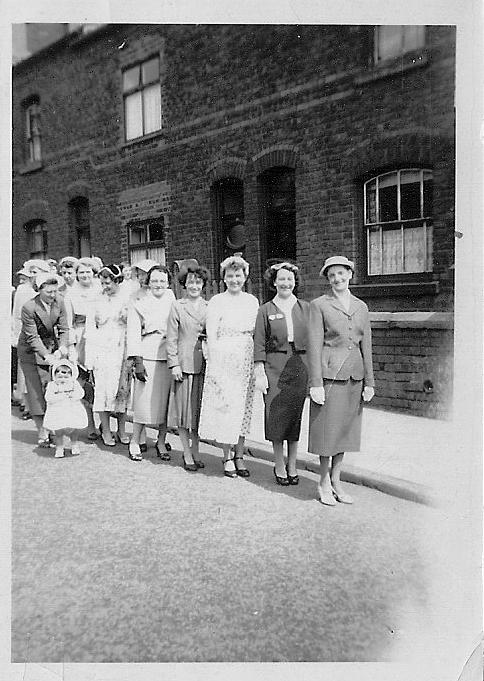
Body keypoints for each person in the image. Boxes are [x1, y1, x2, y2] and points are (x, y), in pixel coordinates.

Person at [307, 256, 375, 506]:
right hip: (329, 376)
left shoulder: (362, 306)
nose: (337, 279)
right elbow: (313, 345)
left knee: (345, 432)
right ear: (328, 279)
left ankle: (337, 481)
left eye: (341, 273)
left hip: (355, 376)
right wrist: (315, 383)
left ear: (350, 274)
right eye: (332, 275)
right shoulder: (319, 305)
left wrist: (370, 381)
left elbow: (366, 344)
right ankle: (323, 481)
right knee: (327, 432)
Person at [198, 255, 259, 478]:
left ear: (245, 277)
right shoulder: (217, 301)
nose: (234, 280)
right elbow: (211, 334)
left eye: (238, 275)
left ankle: (240, 454)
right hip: (224, 355)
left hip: (246, 355)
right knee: (226, 405)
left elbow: (257, 332)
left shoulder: (252, 301)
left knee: (243, 406)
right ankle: (227, 456)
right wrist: (213, 363)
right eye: (230, 276)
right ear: (224, 278)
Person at [254, 261, 309, 486]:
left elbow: (316, 340)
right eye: (281, 279)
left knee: (295, 416)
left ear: (295, 282)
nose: (286, 283)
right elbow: (258, 343)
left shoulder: (306, 308)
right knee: (275, 416)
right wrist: (260, 372)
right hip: (274, 366)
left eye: (290, 279)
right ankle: (278, 464)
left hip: (299, 365)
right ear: (274, 282)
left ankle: (293, 463)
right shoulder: (265, 310)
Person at [126, 265, 175, 461]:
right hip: (147, 354)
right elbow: (133, 332)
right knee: (143, 402)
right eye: (154, 281)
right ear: (148, 282)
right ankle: (135, 441)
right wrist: (137, 361)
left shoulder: (172, 298)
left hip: (169, 354)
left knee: (166, 403)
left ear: (168, 282)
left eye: (162, 281)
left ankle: (161, 441)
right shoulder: (139, 301)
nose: (158, 285)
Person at [17, 272, 71, 446]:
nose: (53, 295)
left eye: (55, 291)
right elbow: (32, 337)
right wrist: (46, 356)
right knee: (36, 392)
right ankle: (42, 430)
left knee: (51, 389)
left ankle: (53, 429)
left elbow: (64, 328)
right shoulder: (29, 307)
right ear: (39, 290)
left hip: (51, 347)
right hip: (30, 352)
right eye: (49, 292)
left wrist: (62, 347)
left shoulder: (60, 301)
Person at [166, 262, 209, 471]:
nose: (194, 286)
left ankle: (196, 450)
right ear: (184, 284)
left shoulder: (209, 307)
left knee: (198, 412)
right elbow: (171, 338)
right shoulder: (177, 306)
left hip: (204, 366)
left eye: (198, 282)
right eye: (191, 282)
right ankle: (186, 454)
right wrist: (173, 364)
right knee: (184, 413)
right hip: (183, 364)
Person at [84, 264, 130, 447]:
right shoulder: (95, 301)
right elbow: (89, 329)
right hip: (101, 349)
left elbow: (132, 325)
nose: (105, 287)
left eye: (108, 283)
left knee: (122, 390)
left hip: (121, 348)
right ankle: (105, 430)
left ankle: (121, 429)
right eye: (102, 283)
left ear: (118, 281)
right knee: (102, 390)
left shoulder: (127, 299)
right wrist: (90, 358)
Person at [63, 257, 102, 439]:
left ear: (93, 273)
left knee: (101, 382)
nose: (85, 275)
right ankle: (90, 425)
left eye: (88, 272)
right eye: (81, 272)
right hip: (80, 339)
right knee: (85, 383)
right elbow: (68, 324)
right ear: (77, 275)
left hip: (100, 338)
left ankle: (105, 424)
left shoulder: (100, 289)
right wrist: (71, 347)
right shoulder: (71, 294)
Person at [43, 359, 88, 458]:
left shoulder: (74, 384)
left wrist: (74, 396)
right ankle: (59, 447)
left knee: (74, 428)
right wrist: (59, 397)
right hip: (58, 411)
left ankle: (74, 444)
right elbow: (48, 397)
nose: (62, 379)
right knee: (59, 431)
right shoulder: (52, 385)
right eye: (59, 376)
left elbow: (81, 393)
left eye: (65, 376)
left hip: (72, 410)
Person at [11, 267, 36, 417]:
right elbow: (18, 315)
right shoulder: (23, 290)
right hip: (27, 332)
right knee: (26, 370)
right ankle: (27, 405)